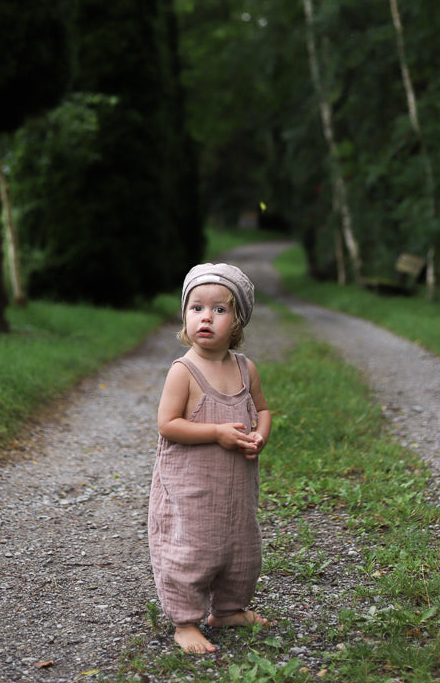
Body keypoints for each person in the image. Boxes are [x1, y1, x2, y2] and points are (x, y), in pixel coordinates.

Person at [148, 262, 272, 654]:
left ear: (237, 322)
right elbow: (168, 424)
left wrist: (260, 436)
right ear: (185, 315)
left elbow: (264, 411)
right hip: (191, 489)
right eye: (197, 307)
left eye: (220, 309)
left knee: (241, 548)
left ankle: (230, 609)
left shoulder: (244, 368)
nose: (207, 317)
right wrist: (216, 433)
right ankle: (185, 622)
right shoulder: (183, 371)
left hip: (236, 489)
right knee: (192, 549)